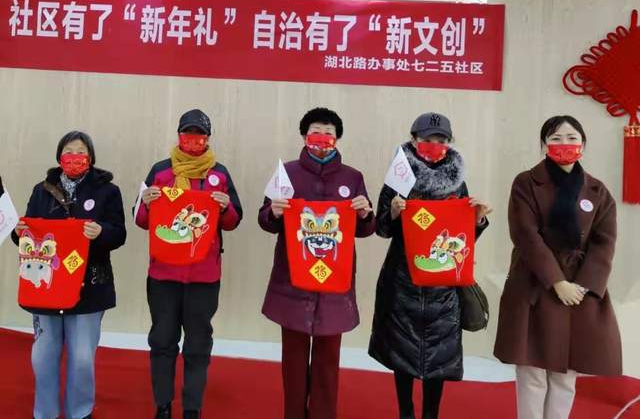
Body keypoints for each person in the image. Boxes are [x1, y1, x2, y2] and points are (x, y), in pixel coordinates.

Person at [494, 115, 622, 419]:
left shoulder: (597, 190)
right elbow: (525, 235)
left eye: (571, 138)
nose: (564, 144)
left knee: (566, 375)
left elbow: (604, 242)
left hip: (578, 290)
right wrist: (556, 281)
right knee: (532, 373)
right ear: (544, 145)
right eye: (556, 138)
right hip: (534, 283)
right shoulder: (526, 182)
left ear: (583, 144)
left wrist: (584, 286)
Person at [368, 113, 491, 419]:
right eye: (427, 139)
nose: (434, 145)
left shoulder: (457, 182)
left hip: (443, 284)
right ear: (414, 140)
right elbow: (381, 228)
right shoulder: (398, 177)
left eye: (441, 140)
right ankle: (406, 413)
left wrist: (478, 219)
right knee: (402, 355)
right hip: (402, 280)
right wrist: (393, 213)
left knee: (439, 359)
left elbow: (462, 240)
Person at [259, 107, 375, 419]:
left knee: (327, 364)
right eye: (316, 132)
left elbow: (365, 229)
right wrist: (274, 213)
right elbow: (264, 219)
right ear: (304, 136)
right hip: (292, 282)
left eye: (328, 133)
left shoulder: (353, 178)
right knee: (293, 363)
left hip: (335, 286)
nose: (322, 137)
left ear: (337, 138)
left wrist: (365, 214)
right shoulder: (287, 173)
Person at [135, 109, 242, 419]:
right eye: (188, 134)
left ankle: (192, 408)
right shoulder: (160, 171)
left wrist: (225, 207)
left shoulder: (219, 174)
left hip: (204, 275)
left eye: (199, 135)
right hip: (164, 274)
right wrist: (146, 204)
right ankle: (163, 405)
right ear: (179, 136)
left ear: (207, 138)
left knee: (198, 344)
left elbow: (234, 220)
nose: (193, 140)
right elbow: (140, 220)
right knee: (162, 340)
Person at [12, 130, 126, 419]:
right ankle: (45, 412)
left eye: (80, 152)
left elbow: (119, 233)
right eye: (69, 151)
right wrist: (19, 232)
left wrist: (101, 232)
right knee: (43, 356)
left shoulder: (108, 191)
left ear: (91, 157)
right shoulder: (42, 190)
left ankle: (81, 412)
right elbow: (28, 234)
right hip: (46, 287)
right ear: (59, 156)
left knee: (82, 358)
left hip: (90, 286)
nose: (74, 157)